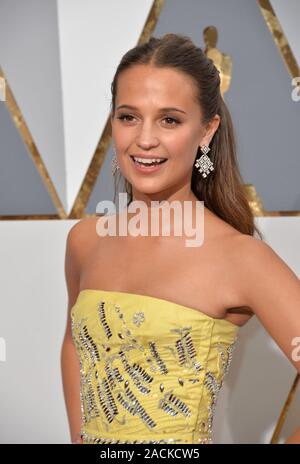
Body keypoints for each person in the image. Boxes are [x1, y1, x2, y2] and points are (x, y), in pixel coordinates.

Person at [60, 33, 300, 444]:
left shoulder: (240, 258)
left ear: (206, 132)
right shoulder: (85, 241)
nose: (145, 139)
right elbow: (74, 345)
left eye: (169, 119)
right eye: (128, 116)